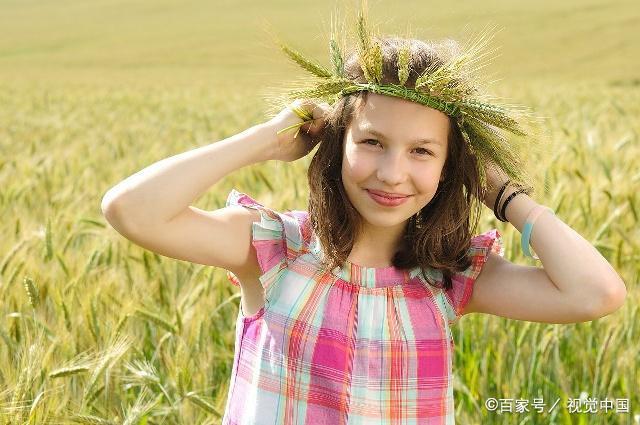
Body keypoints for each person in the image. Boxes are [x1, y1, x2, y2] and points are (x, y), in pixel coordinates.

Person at [101, 11, 627, 425]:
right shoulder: (274, 250)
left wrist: (502, 192)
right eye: (372, 142)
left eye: (422, 151)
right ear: (336, 144)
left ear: (449, 167)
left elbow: (595, 293)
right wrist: (266, 139)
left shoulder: (450, 277)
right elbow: (131, 210)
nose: (393, 174)